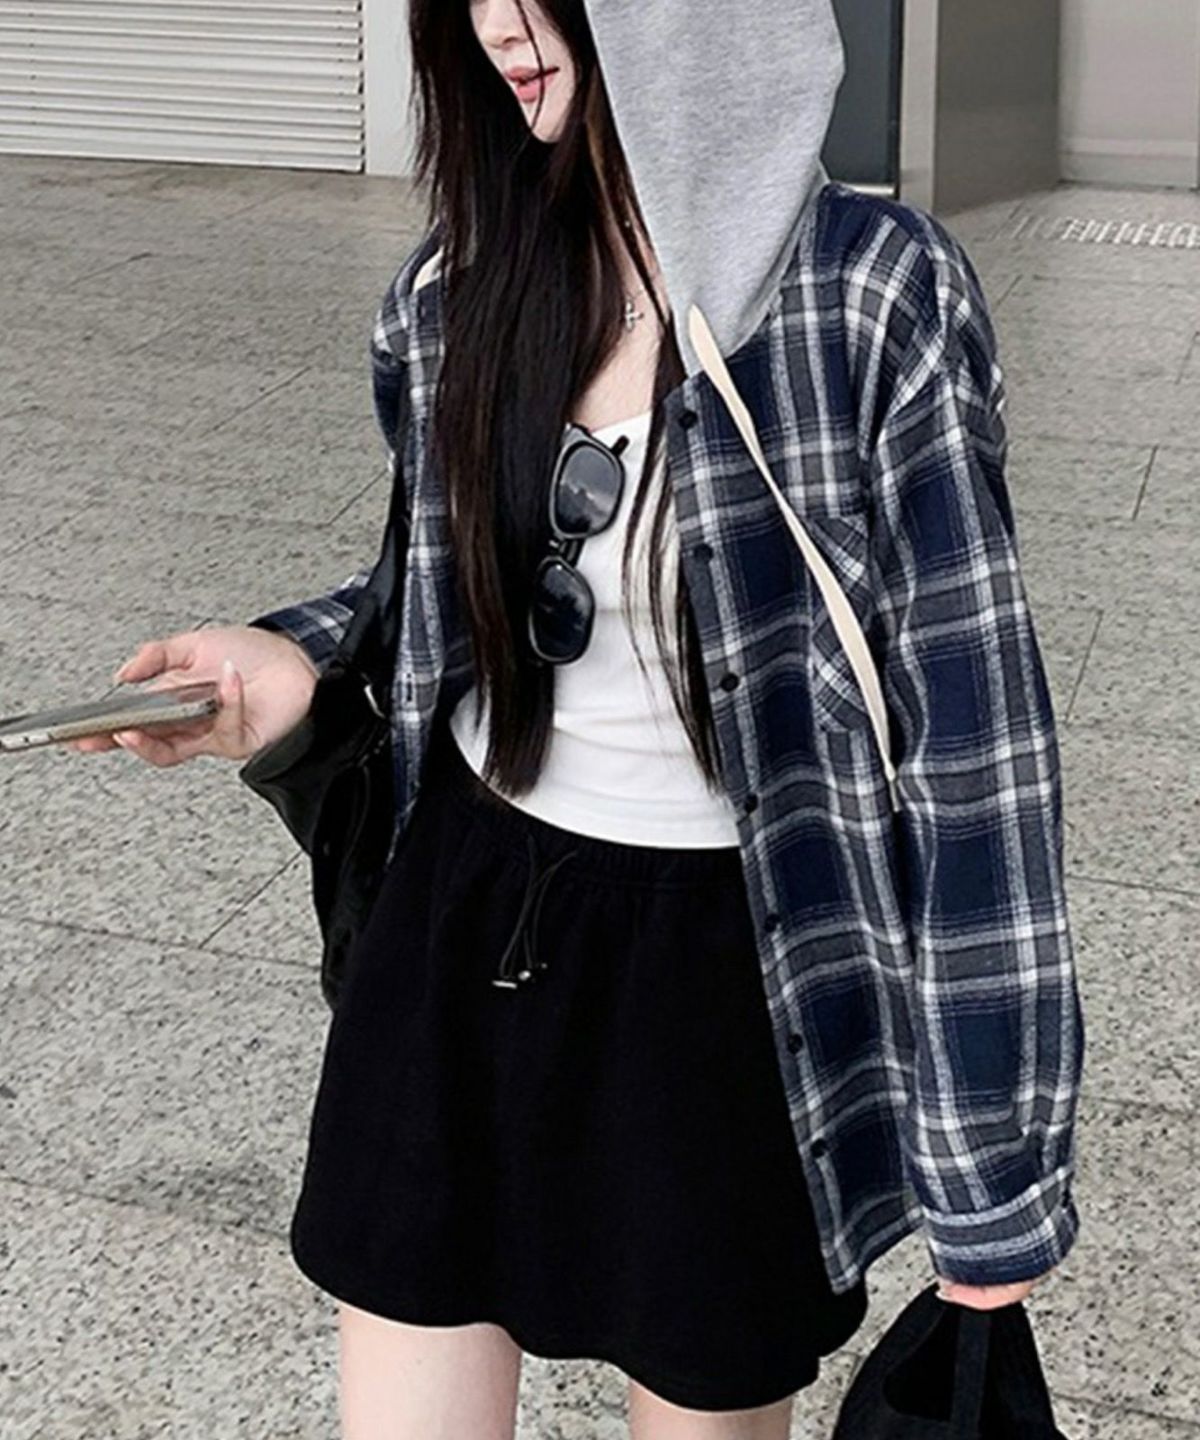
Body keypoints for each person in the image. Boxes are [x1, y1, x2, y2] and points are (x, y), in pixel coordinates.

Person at [70, 1, 1086, 1436]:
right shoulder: (458, 285)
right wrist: (283, 661)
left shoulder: (871, 293)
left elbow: (975, 745)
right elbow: (429, 591)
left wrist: (995, 1177)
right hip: (461, 918)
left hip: (725, 971)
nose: (498, 21)